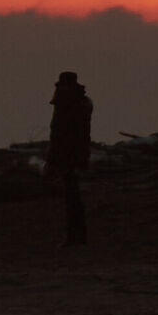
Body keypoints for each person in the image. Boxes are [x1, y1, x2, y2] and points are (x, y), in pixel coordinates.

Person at [49, 71, 94, 246]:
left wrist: (53, 157)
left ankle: (75, 238)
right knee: (73, 197)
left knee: (72, 197)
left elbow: (60, 133)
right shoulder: (81, 103)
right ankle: (77, 237)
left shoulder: (68, 103)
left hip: (68, 155)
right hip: (75, 154)